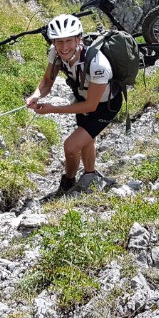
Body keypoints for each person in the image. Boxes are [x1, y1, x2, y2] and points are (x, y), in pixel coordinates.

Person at [25, 14, 124, 195]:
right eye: (59, 42)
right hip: (82, 97)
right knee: (86, 140)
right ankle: (90, 176)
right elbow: (47, 81)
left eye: (69, 41)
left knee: (70, 147)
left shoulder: (97, 64)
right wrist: (36, 96)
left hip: (105, 105)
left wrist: (53, 110)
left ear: (79, 38)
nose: (64, 47)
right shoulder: (55, 53)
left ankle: (68, 183)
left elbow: (91, 106)